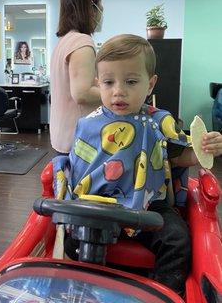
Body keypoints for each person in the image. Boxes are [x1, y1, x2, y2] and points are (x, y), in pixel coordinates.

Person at [53, 34, 222, 295]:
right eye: (109, 82)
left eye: (131, 81)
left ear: (150, 83)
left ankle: (158, 294)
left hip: (148, 204)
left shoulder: (159, 122)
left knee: (177, 240)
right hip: (99, 204)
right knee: (74, 239)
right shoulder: (87, 125)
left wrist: (203, 149)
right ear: (98, 83)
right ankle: (86, 291)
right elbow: (79, 170)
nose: (118, 90)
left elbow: (178, 156)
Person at [50, 0, 104, 155]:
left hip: (63, 135)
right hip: (78, 140)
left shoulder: (64, 42)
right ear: (90, 8)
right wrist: (116, 92)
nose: (102, 10)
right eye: (100, 5)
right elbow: (82, 93)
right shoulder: (82, 42)